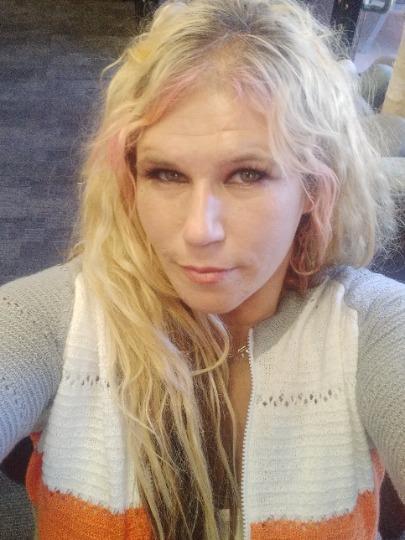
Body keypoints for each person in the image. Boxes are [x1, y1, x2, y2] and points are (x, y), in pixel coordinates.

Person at [1, 0, 404, 538]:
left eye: (247, 175)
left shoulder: (373, 329)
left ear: (313, 188)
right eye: (165, 174)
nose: (199, 231)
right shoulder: (52, 320)